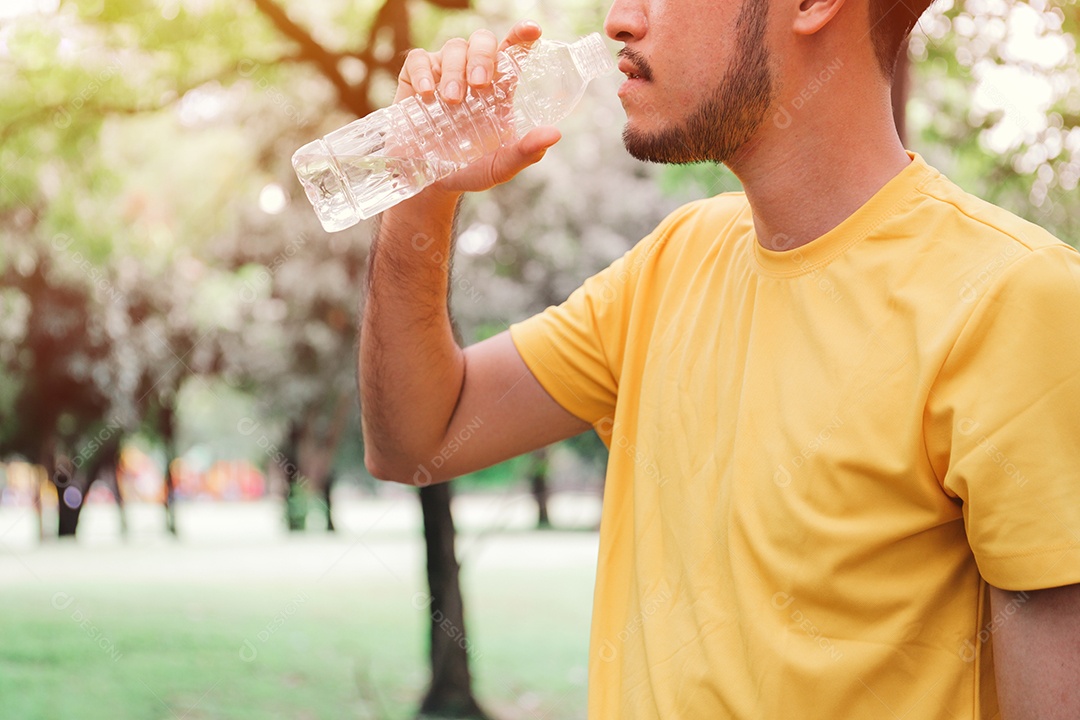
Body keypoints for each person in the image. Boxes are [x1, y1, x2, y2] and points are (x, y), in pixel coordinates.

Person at [358, 0, 1080, 717]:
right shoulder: (673, 262)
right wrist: (421, 192)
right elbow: (416, 437)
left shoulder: (1017, 300)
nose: (618, 20)